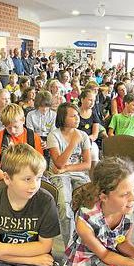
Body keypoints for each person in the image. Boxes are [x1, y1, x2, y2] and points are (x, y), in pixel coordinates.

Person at [47, 102, 91, 243]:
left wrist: (67, 168)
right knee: (65, 206)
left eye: (77, 115)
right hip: (58, 176)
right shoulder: (54, 135)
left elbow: (87, 164)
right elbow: (58, 162)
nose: (77, 118)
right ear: (63, 118)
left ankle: (86, 242)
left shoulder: (83, 135)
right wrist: (73, 143)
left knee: (90, 202)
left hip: (77, 174)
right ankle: (69, 246)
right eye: (73, 116)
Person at [0, 104, 43, 180]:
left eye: (16, 127)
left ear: (23, 120)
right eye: (9, 128)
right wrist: (8, 180)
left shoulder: (33, 138)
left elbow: (40, 165)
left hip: (29, 177)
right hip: (5, 176)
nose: (13, 131)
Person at [77, 89, 101, 164]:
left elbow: (95, 134)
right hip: (75, 141)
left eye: (93, 101)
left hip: (89, 141)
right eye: (90, 100)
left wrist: (86, 140)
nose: (92, 103)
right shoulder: (75, 112)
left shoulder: (94, 114)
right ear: (82, 99)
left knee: (94, 153)